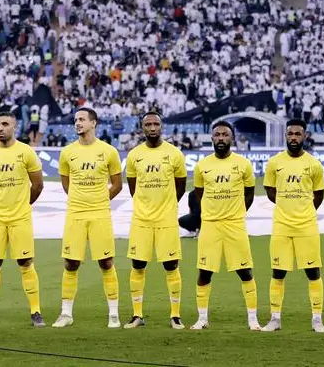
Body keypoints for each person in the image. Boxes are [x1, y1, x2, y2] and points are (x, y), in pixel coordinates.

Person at [0, 110, 45, 327]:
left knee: (25, 262)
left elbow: (38, 185)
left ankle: (36, 312)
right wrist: (0, 202)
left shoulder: (26, 152)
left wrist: (22, 204)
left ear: (14, 127)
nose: (1, 128)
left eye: (5, 124)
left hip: (20, 218)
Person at [52, 108, 123, 329]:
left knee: (106, 262)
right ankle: (66, 314)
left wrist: (100, 200)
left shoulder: (109, 151)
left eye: (82, 119)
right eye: (75, 120)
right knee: (71, 263)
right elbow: (66, 184)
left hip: (100, 213)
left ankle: (113, 314)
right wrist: (80, 200)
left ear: (94, 123)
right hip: (75, 214)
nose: (77, 123)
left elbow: (118, 184)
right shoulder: (67, 153)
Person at [190, 120, 259, 331]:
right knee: (204, 272)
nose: (221, 138)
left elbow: (249, 194)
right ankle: (202, 319)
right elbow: (199, 195)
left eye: (225, 135)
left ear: (232, 138)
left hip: (235, 225)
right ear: (212, 138)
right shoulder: (202, 166)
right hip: (210, 225)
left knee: (245, 271)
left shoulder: (244, 164)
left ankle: (253, 319)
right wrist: (212, 213)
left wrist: (235, 213)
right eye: (217, 135)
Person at [261, 118, 324, 333]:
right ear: (286, 136)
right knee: (278, 271)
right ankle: (275, 319)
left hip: (306, 226)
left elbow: (319, 195)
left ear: (305, 136)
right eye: (290, 134)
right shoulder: (274, 162)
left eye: (298, 134)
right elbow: (270, 191)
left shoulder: (314, 164)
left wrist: (303, 210)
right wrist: (286, 206)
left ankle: (317, 319)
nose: (294, 138)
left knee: (313, 272)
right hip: (281, 225)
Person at [124, 111, 187, 330]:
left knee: (171, 265)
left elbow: (181, 185)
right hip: (141, 219)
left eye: (156, 124)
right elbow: (133, 187)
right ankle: (137, 315)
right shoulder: (134, 155)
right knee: (138, 264)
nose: (152, 128)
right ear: (142, 128)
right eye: (148, 124)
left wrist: (167, 205)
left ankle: (175, 316)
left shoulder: (174, 154)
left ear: (162, 126)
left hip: (167, 220)